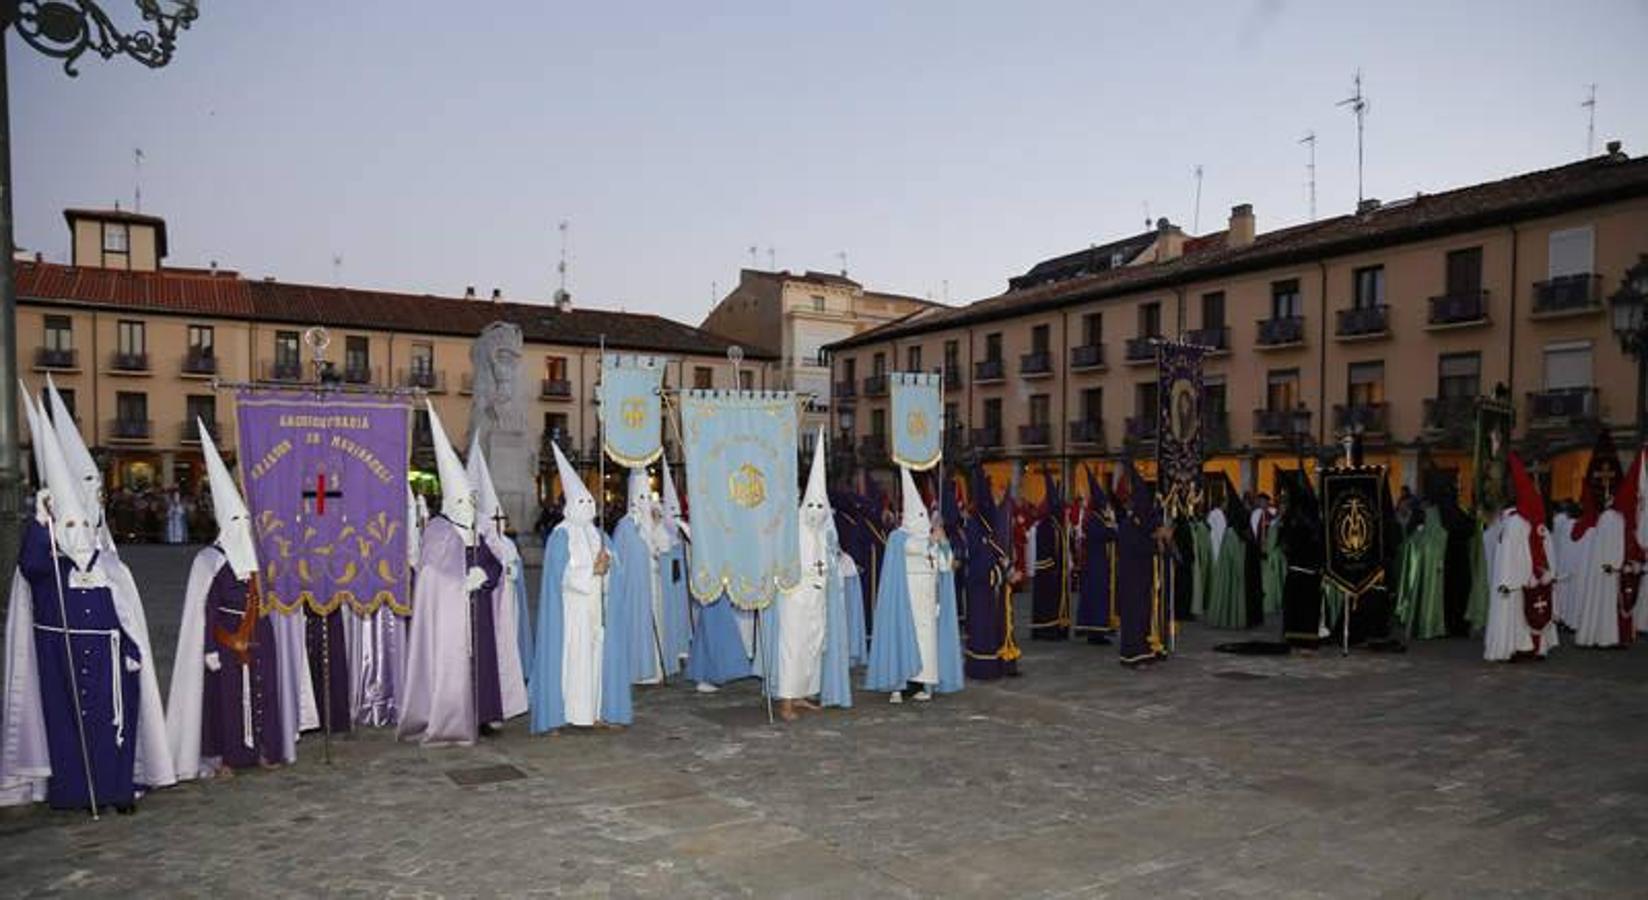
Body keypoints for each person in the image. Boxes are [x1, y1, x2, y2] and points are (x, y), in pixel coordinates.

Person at [2, 389, 174, 811]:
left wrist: (132, 651)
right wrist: (42, 523)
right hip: (58, 659)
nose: (79, 530)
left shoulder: (110, 566)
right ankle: (74, 792)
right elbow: (29, 566)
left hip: (108, 662)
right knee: (66, 729)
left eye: (84, 522)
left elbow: (126, 615)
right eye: (69, 522)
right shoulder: (49, 568)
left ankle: (118, 790)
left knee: (110, 726)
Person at [168, 419, 289, 778]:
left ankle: (266, 749)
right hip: (226, 637)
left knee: (264, 692)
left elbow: (275, 588)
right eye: (234, 518)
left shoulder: (262, 553)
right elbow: (204, 609)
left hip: (259, 631)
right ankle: (228, 757)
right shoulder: (210, 560)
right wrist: (208, 647)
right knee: (227, 700)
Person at [398, 401, 503, 746]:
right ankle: (448, 711)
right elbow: (427, 574)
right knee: (454, 661)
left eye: (471, 503)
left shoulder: (475, 531)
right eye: (463, 503)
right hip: (450, 616)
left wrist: (483, 577)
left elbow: (494, 563)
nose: (469, 509)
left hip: (478, 610)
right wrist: (459, 580)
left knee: (482, 661)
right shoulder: (439, 531)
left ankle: (482, 714)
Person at [529, 441, 630, 733]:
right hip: (571, 613)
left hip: (596, 610)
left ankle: (594, 712)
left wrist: (608, 566)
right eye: (582, 502)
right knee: (573, 661)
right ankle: (565, 714)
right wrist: (590, 572)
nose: (587, 506)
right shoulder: (561, 536)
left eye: (590, 502)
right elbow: (559, 577)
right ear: (570, 505)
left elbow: (616, 567)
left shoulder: (599, 534)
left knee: (596, 661)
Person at [757, 431, 853, 720]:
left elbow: (832, 555)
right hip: (795, 593)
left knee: (813, 644)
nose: (815, 511)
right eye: (810, 505)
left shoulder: (825, 529)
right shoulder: (793, 526)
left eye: (819, 506)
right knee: (793, 646)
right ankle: (785, 699)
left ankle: (802, 694)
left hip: (818, 593)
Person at [866, 466, 963, 702]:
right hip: (906, 599)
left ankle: (922, 683)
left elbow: (945, 565)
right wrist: (932, 540)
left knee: (927, 641)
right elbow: (914, 548)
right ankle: (902, 683)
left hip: (929, 597)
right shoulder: (899, 538)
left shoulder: (931, 537)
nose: (923, 520)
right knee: (907, 638)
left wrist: (944, 544)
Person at [466, 437, 532, 718]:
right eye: (493, 520)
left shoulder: (507, 545)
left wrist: (509, 573)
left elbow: (508, 567)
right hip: (478, 608)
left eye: (500, 519)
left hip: (506, 607)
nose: (498, 523)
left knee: (504, 651)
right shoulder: (467, 540)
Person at [1485, 453, 1559, 661]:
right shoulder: (1512, 521)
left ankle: (1521, 647)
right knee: (1519, 615)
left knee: (1519, 615)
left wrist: (1515, 579)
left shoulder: (1515, 522)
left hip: (1515, 581)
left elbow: (1523, 553)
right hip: (1515, 580)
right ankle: (1526, 647)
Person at [1569, 431, 1629, 648]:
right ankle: (1606, 636)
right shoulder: (1614, 519)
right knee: (1604, 603)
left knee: (1597, 602)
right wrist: (1616, 564)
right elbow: (1619, 544)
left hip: (1602, 568)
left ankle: (1594, 634)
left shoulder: (1607, 519)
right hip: (1609, 569)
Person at [613, 469, 670, 685]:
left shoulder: (652, 521)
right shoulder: (626, 525)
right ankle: (638, 669)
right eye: (641, 497)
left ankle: (655, 668)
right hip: (635, 587)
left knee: (656, 621)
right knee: (639, 622)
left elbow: (663, 547)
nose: (645, 502)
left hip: (653, 581)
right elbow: (623, 558)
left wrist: (656, 524)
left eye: (648, 496)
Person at [1113, 463, 1166, 665]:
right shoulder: (1128, 526)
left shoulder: (1140, 525)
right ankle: (1131, 654)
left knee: (1143, 615)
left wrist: (1160, 539)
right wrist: (1155, 543)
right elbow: (1139, 547)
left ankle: (1145, 649)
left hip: (1143, 580)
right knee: (1133, 617)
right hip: (1131, 580)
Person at [1277, 468, 1326, 648]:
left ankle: (1296, 638)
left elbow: (1286, 546)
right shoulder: (1314, 523)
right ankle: (1306, 639)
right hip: (1310, 573)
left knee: (1297, 608)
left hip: (1299, 572)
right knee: (1307, 608)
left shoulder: (1296, 522)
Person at [1072, 467, 1116, 645]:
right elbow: (1109, 535)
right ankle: (1095, 632)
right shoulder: (1094, 520)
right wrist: (1112, 525)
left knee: (1097, 595)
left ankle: (1097, 630)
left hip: (1096, 563)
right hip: (1095, 564)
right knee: (1096, 595)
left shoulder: (1096, 518)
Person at [1029, 469, 1069, 640]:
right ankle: (1044, 629)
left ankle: (1056, 625)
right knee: (1045, 602)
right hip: (1046, 571)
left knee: (1053, 601)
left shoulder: (1056, 525)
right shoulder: (1045, 526)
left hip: (1056, 571)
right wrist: (1051, 567)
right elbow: (1044, 550)